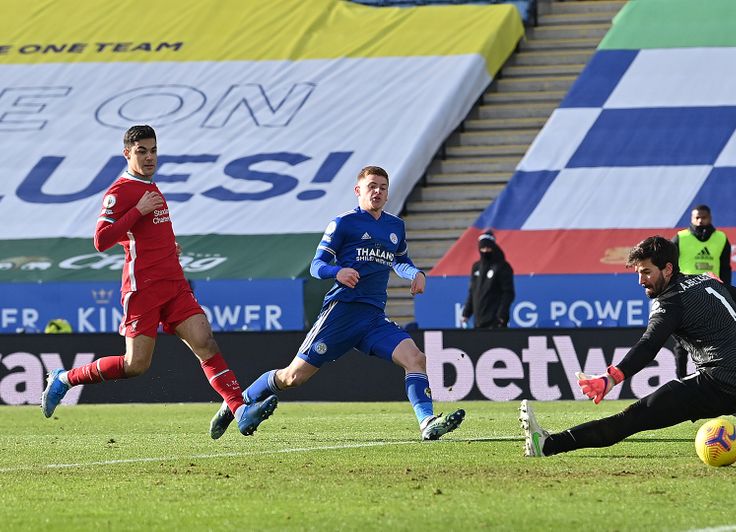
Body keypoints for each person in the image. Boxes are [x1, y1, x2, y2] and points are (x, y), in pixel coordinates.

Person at [40, 125, 277, 438]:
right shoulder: (120, 192)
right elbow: (101, 240)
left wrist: (169, 246)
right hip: (143, 289)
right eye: (141, 151)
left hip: (174, 283)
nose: (149, 157)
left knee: (205, 342)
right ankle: (64, 379)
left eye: (153, 150)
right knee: (135, 365)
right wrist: (137, 211)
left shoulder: (150, 185)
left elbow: (145, 235)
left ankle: (240, 409)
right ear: (127, 154)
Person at [209, 165, 465, 440]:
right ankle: (237, 402)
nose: (377, 191)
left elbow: (400, 261)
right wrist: (337, 272)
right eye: (371, 186)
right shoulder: (344, 223)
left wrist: (415, 273)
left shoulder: (395, 226)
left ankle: (427, 423)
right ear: (358, 191)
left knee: (415, 358)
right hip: (341, 313)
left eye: (382, 187)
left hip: (373, 317)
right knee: (293, 377)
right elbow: (316, 265)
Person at [519, 236, 736, 458]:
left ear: (668, 269)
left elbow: (649, 346)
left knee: (631, 419)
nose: (641, 280)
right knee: (726, 393)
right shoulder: (702, 280)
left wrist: (612, 378)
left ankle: (547, 445)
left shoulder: (670, 302)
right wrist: (720, 283)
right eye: (638, 272)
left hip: (723, 381)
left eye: (647, 272)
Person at [670, 204, 732, 379]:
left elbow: (726, 268)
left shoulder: (721, 238)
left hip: (712, 294)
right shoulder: (680, 237)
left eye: (703, 217)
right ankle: (680, 379)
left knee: (714, 338)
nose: (700, 221)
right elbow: (670, 265)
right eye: (696, 217)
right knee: (682, 342)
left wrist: (727, 291)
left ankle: (716, 377)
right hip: (685, 295)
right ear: (691, 218)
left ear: (709, 218)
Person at [461, 230, 515, 329]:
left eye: (488, 248)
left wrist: (501, 315)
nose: (485, 251)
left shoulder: (502, 266)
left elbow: (508, 293)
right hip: (479, 321)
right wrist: (466, 313)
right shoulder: (476, 267)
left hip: (495, 321)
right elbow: (473, 292)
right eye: (483, 248)